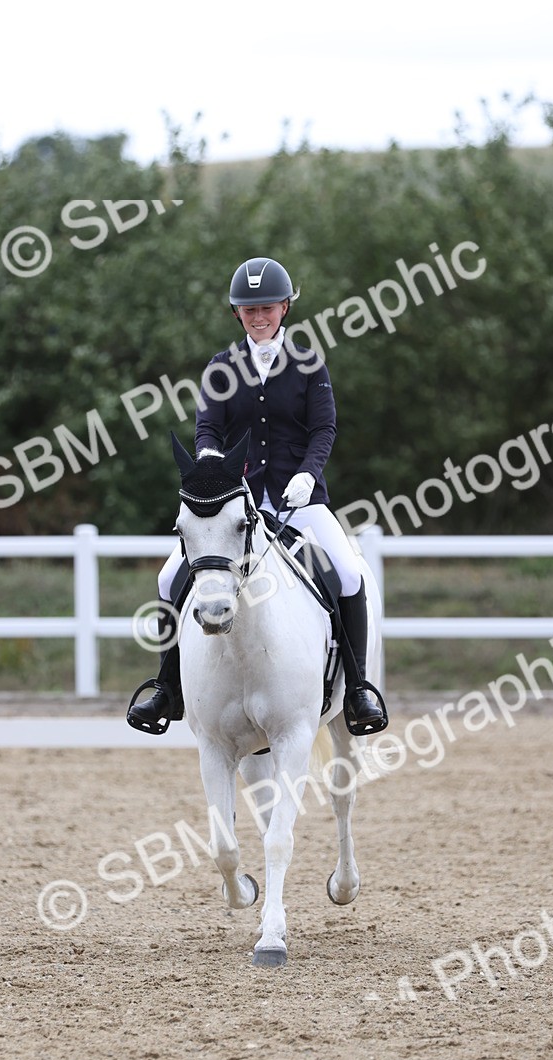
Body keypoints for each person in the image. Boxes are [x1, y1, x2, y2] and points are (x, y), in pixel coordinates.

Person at [127, 256, 388, 736]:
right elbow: (208, 426)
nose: (259, 317)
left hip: (300, 500)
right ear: (237, 314)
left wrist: (309, 475)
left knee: (348, 574)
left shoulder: (309, 363)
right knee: (169, 578)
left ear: (285, 307)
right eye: (249, 310)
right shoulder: (221, 367)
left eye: (267, 307)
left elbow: (323, 427)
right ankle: (168, 686)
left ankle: (357, 690)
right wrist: (208, 459)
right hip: (238, 507)